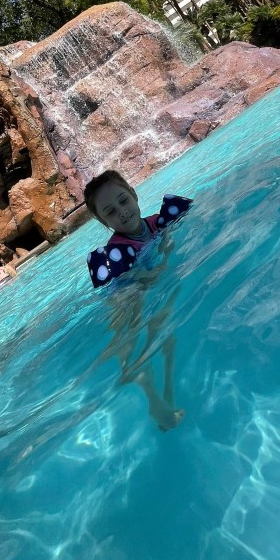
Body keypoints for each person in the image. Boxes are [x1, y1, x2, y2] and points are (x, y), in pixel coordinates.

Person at [83, 170, 192, 431]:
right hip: (124, 291)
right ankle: (146, 384)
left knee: (166, 333)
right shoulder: (115, 252)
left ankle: (163, 393)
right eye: (110, 212)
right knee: (127, 330)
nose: (121, 211)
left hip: (148, 285)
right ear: (103, 221)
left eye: (123, 201)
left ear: (134, 194)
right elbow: (139, 277)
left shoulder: (158, 223)